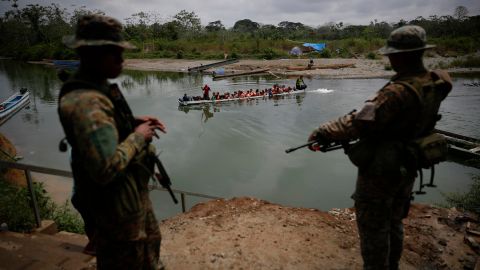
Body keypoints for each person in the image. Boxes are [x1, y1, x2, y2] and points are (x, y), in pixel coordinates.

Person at [306, 25, 452, 270]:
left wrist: (322, 131)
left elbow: (358, 122)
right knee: (395, 221)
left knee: (374, 228)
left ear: (401, 56)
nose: (390, 59)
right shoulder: (436, 82)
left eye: (392, 55)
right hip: (409, 163)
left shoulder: (396, 92)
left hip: (383, 169)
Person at [57, 14, 166, 269]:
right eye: (115, 53)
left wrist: (132, 121)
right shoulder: (87, 104)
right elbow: (105, 169)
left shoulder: (95, 90)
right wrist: (139, 136)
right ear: (91, 55)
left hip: (129, 200)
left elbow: (103, 127)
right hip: (116, 213)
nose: (122, 60)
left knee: (151, 251)